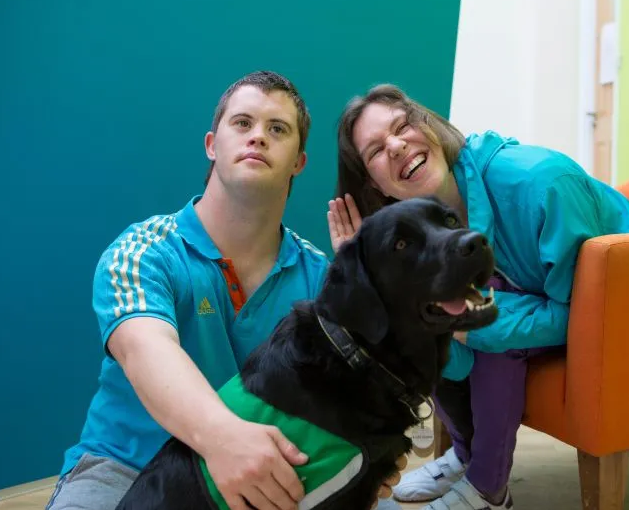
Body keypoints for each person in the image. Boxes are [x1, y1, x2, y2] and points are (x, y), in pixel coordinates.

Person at [47, 71, 404, 510]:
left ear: (298, 162)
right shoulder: (144, 251)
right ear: (212, 145)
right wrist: (223, 439)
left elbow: (358, 391)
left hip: (267, 472)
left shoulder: (320, 278)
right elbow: (145, 350)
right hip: (124, 468)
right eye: (243, 123)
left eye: (278, 129)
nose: (258, 136)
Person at [327, 84, 629, 510]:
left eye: (401, 126)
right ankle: (468, 456)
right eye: (376, 150)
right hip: (558, 304)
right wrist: (374, 274)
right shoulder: (423, 227)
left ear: (429, 125)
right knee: (435, 308)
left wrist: (469, 323)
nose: (395, 146)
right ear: (375, 186)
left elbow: (588, 312)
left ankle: (488, 489)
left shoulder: (539, 182)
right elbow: (438, 348)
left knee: (485, 320)